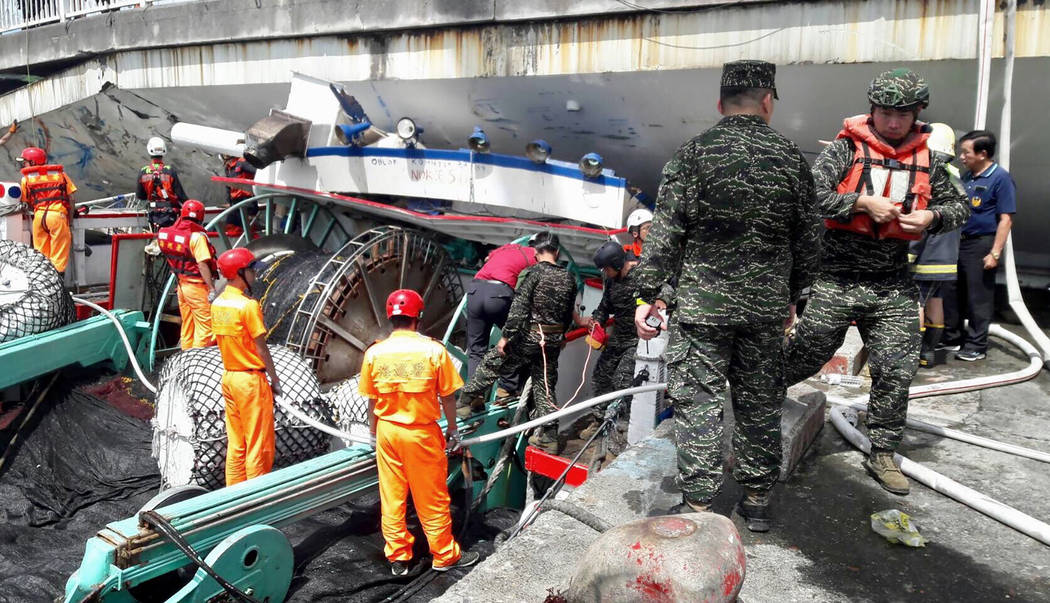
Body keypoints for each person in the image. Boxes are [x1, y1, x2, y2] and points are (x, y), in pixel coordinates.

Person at [633, 60, 822, 531]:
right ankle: (756, 500)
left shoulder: (692, 154)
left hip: (702, 308)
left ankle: (698, 504)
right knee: (760, 401)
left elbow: (666, 235)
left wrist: (648, 296)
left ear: (720, 104)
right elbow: (810, 238)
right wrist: (795, 296)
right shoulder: (793, 159)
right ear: (767, 102)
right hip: (764, 310)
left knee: (699, 401)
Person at [783, 68, 969, 496]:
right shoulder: (846, 150)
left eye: (902, 114)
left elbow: (959, 207)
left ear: (917, 113)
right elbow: (811, 194)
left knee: (897, 366)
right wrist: (861, 202)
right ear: (873, 110)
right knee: (807, 352)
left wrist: (932, 216)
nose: (893, 122)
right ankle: (760, 400)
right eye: (885, 113)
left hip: (891, 281)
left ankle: (883, 449)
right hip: (836, 277)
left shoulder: (932, 160)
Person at [358, 289, 480, 576]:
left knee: (392, 495)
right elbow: (448, 397)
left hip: (388, 432)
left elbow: (372, 399)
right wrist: (452, 429)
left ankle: (398, 558)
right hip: (421, 433)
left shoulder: (374, 353)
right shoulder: (434, 351)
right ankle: (444, 555)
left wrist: (374, 433)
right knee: (432, 496)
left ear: (392, 318)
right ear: (419, 318)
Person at [458, 232, 577, 454]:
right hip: (551, 340)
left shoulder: (532, 273)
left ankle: (466, 401)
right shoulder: (568, 278)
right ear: (557, 252)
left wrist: (506, 337)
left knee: (493, 361)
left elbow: (519, 309)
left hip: (531, 335)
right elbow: (568, 313)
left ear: (536, 252)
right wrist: (560, 336)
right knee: (545, 386)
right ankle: (550, 437)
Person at [942, 130, 1016, 362]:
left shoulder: (1000, 178)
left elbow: (1006, 219)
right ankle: (952, 337)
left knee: (978, 296)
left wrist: (995, 252)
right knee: (952, 291)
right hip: (958, 243)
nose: (961, 157)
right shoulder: (967, 177)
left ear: (982, 154)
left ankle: (976, 345)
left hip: (981, 244)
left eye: (966, 153)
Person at [211, 248, 281, 486]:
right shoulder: (247, 306)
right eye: (251, 270)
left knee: (237, 444)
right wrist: (275, 380)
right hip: (251, 381)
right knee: (258, 445)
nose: (254, 275)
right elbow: (262, 348)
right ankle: (255, 501)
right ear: (240, 273)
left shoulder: (218, 304)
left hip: (230, 378)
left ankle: (233, 496)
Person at [909, 123, 965, 368]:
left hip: (927, 256)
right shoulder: (954, 175)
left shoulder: (927, 177)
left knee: (916, 303)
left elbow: (919, 221)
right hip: (947, 258)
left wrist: (909, 254)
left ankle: (915, 353)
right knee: (936, 301)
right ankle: (929, 352)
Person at [465, 236, 539, 400]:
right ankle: (506, 390)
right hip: (499, 294)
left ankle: (473, 396)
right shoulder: (535, 255)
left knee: (476, 350)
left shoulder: (505, 248)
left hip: (475, 291)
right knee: (515, 340)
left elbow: (487, 258)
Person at [157, 200, 218, 349]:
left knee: (188, 325)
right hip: (197, 287)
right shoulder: (196, 237)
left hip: (181, 286)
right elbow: (202, 264)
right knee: (206, 328)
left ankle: (185, 357)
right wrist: (211, 288)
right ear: (201, 217)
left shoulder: (164, 233)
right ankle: (197, 361)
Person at [18, 146, 77, 276]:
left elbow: (25, 202)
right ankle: (58, 284)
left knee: (41, 256)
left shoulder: (26, 179)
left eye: (25, 162)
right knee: (59, 256)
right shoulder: (61, 175)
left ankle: (43, 282)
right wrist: (71, 220)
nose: (23, 164)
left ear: (32, 162)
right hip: (57, 217)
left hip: (38, 218)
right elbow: (71, 198)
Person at [137, 136, 188, 230]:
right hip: (170, 215)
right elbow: (181, 196)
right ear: (164, 151)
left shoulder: (143, 172)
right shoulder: (170, 171)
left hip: (154, 214)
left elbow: (141, 196)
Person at [222, 154, 259, 237]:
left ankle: (253, 240)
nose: (225, 154)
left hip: (247, 201)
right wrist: (229, 202)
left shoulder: (242, 163)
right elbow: (228, 186)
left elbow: (258, 172)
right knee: (230, 225)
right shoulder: (228, 167)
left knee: (247, 227)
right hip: (235, 203)